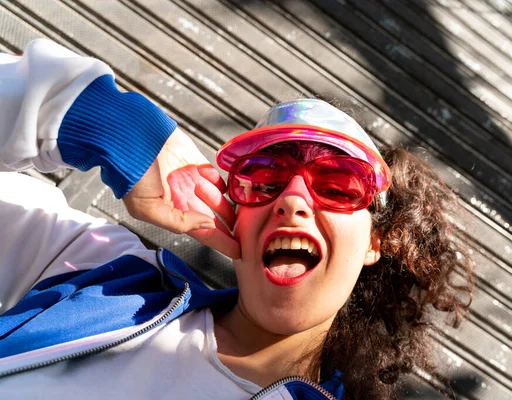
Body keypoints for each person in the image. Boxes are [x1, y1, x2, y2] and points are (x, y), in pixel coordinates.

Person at [0, 39, 473, 399]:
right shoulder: (97, 273)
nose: (292, 198)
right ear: (235, 212)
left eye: (336, 185)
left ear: (378, 240)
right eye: (266, 178)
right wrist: (110, 123)